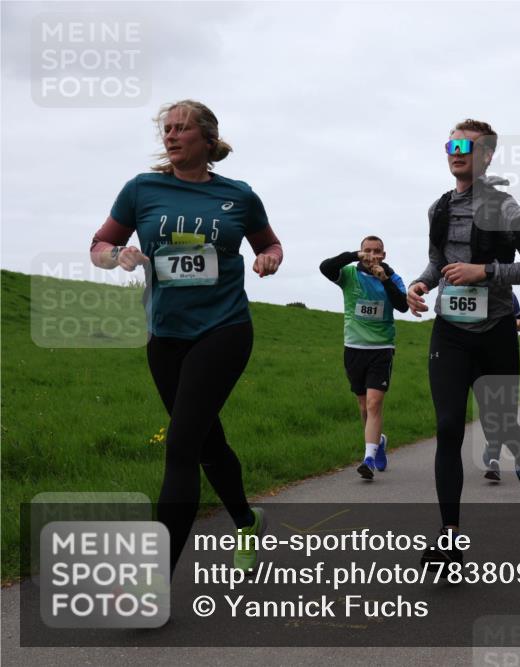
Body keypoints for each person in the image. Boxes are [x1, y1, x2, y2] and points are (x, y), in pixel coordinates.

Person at [89, 100, 283, 574]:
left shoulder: (238, 196)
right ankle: (245, 519)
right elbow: (98, 246)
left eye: (181, 129)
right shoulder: (142, 189)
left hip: (224, 328)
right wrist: (118, 257)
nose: (171, 136)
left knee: (180, 447)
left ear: (208, 140)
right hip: (164, 334)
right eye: (167, 130)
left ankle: (150, 581)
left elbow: (270, 243)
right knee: (204, 441)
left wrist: (269, 259)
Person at [406, 119, 520, 565]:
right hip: (449, 332)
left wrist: (486, 271)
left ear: (487, 156)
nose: (457, 151)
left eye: (467, 146)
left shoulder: (505, 208)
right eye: (452, 144)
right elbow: (438, 262)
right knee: (448, 427)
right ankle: (449, 538)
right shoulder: (438, 208)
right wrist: (420, 283)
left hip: (495, 333)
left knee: (500, 427)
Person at [320, 236, 407, 480]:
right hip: (354, 348)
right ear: (361, 252)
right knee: (363, 406)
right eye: (367, 251)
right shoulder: (349, 274)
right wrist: (352, 255)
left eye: (376, 251)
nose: (372, 255)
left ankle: (368, 459)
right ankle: (378, 441)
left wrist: (384, 279)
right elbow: (325, 267)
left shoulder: (393, 278)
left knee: (373, 403)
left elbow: (402, 306)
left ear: (384, 254)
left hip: (382, 348)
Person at [482, 291, 520, 482]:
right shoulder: (474, 294)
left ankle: (496, 457)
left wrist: (518, 323)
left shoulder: (508, 295)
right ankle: (494, 456)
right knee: (488, 410)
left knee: (505, 414)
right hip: (480, 357)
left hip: (505, 356)